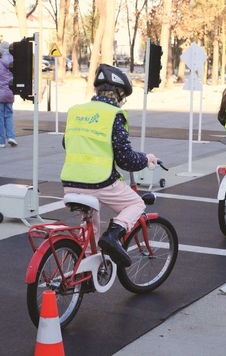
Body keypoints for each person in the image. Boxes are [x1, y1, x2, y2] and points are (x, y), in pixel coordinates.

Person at [60, 64, 158, 267]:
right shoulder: (113, 115)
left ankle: (86, 265)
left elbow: (66, 143)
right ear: (119, 93)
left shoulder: (76, 111)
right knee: (136, 204)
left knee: (90, 223)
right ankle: (113, 236)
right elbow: (125, 159)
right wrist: (145, 159)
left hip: (70, 181)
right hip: (99, 182)